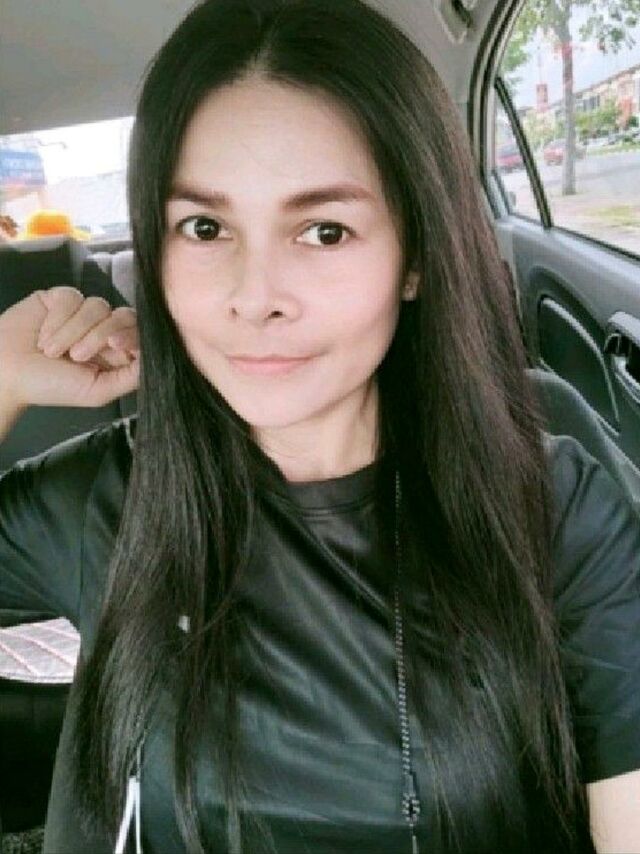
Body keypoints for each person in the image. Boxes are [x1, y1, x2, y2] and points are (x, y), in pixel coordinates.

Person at [0, 1, 639, 852]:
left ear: (415, 257)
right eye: (204, 228)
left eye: (325, 230)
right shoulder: (105, 496)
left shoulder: (554, 512)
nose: (255, 295)